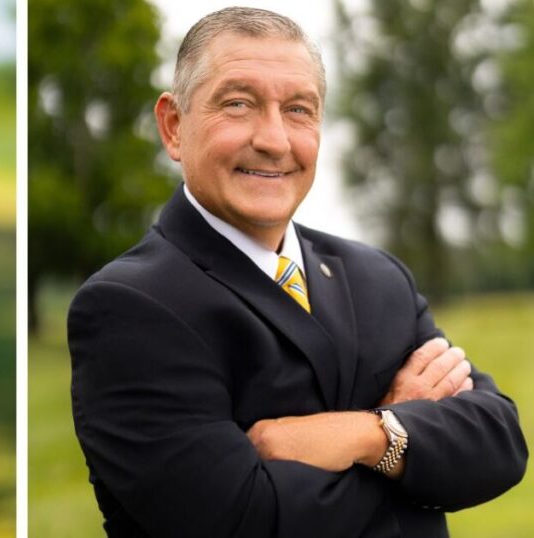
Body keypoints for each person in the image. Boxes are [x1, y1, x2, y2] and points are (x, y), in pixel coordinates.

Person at [68, 7, 526, 537]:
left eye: (298, 110)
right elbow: (244, 520)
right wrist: (413, 453)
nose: (274, 140)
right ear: (173, 126)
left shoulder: (378, 277)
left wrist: (369, 435)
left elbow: (499, 443)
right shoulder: (130, 306)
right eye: (238, 104)